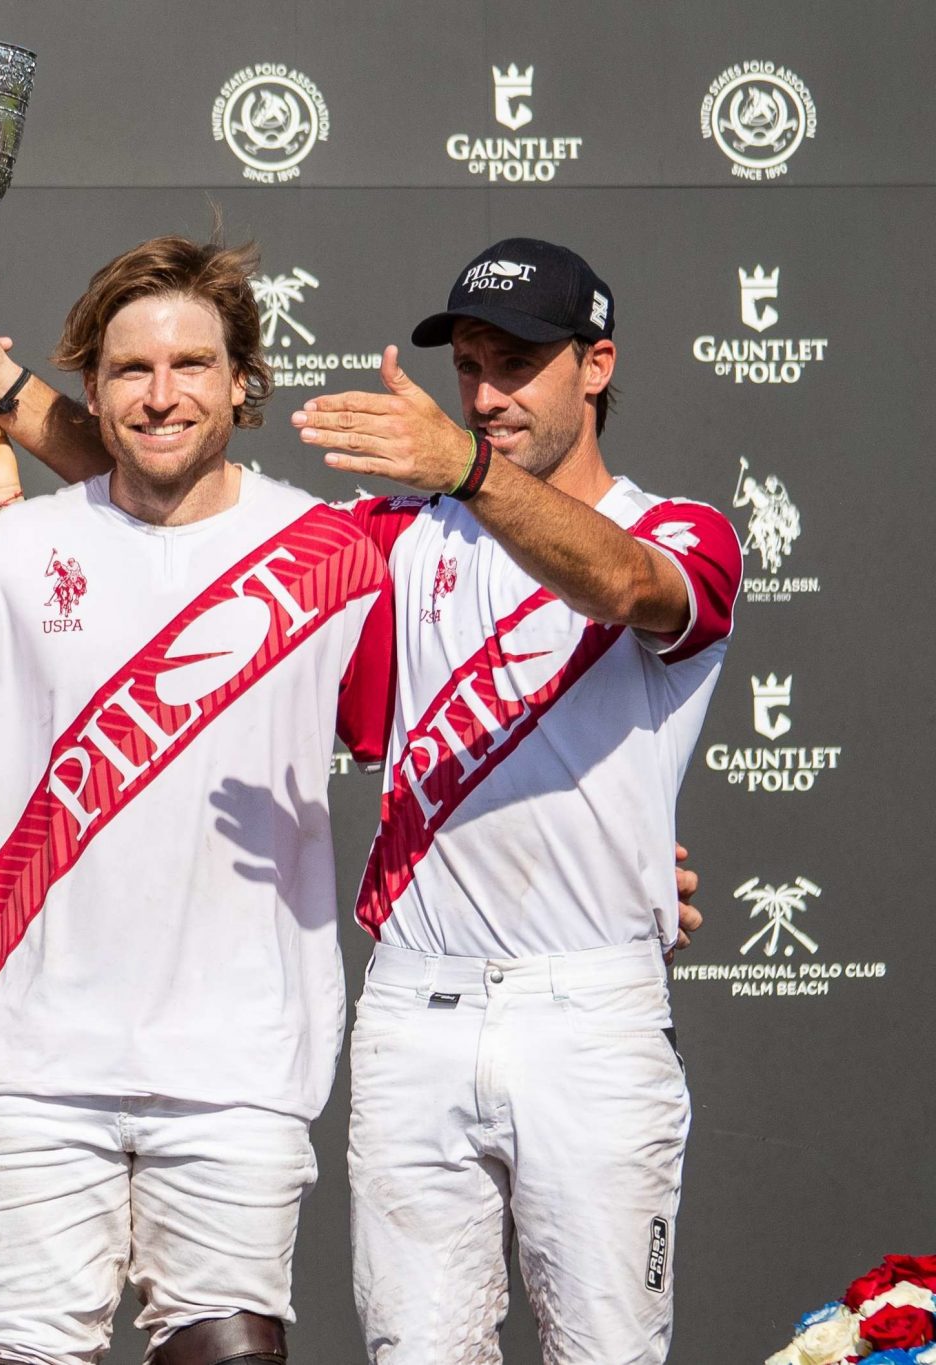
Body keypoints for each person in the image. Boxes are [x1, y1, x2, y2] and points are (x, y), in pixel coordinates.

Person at [0, 234, 396, 1365]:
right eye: (131, 370)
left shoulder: (332, 556)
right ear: (90, 386)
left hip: (238, 1066)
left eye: (192, 365)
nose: (161, 393)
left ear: (242, 382)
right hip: (40, 1069)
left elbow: (421, 746)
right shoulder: (15, 550)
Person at [289, 238, 739, 1365]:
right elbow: (191, 528)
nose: (485, 396)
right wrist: (12, 402)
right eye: (470, 366)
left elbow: (629, 585)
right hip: (412, 1011)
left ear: (595, 366)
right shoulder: (394, 538)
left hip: (588, 1010)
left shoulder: (680, 530)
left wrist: (466, 473)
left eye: (518, 364)